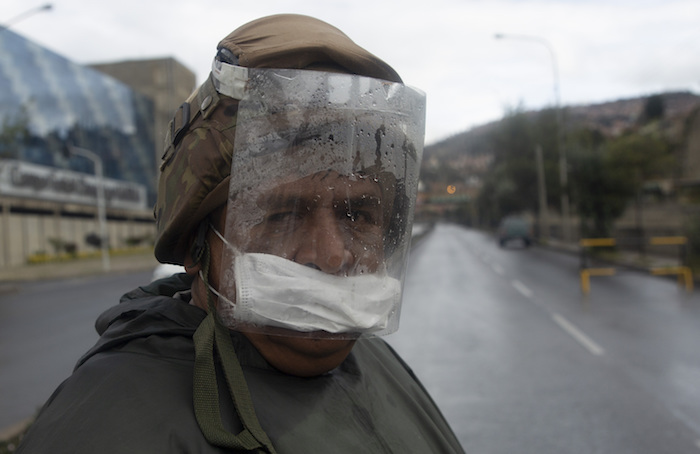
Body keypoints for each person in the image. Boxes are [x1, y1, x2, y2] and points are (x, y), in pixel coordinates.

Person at [17, 14, 465, 453]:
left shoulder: (371, 362)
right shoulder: (106, 427)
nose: (331, 255)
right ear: (197, 242)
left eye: (359, 215)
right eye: (282, 214)